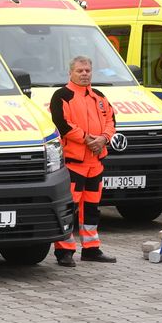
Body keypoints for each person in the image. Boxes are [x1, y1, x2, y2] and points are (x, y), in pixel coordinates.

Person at [51, 55, 118, 266]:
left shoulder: (99, 96)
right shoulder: (61, 95)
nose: (84, 74)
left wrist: (104, 139)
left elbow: (111, 120)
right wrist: (88, 139)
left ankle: (91, 248)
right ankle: (64, 251)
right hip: (73, 163)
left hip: (95, 162)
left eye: (87, 70)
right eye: (80, 71)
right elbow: (62, 124)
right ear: (70, 73)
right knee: (69, 208)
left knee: (92, 208)